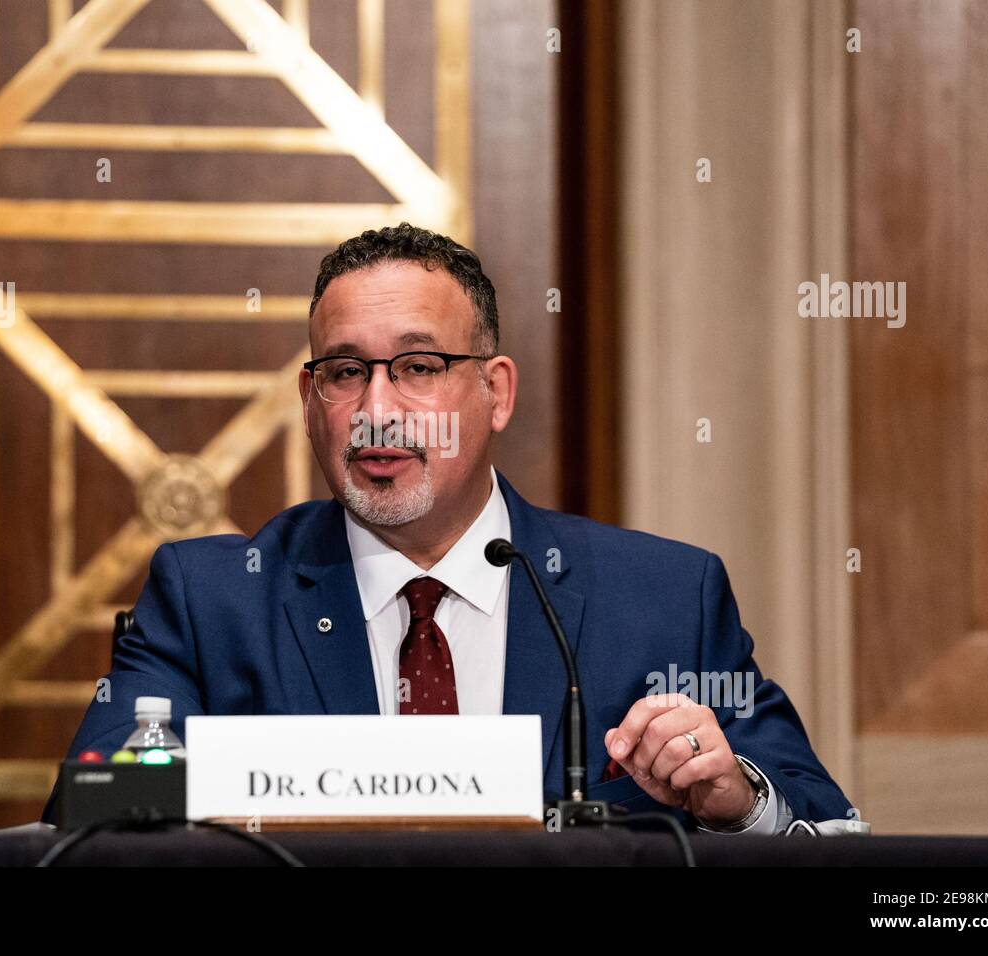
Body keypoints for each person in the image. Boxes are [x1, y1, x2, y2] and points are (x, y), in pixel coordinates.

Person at [45, 223, 853, 833]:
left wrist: (734, 798)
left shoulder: (663, 598)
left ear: (496, 392)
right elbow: (93, 811)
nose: (376, 411)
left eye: (419, 368)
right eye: (344, 373)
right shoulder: (210, 600)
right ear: (309, 400)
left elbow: (833, 830)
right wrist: (293, 778)